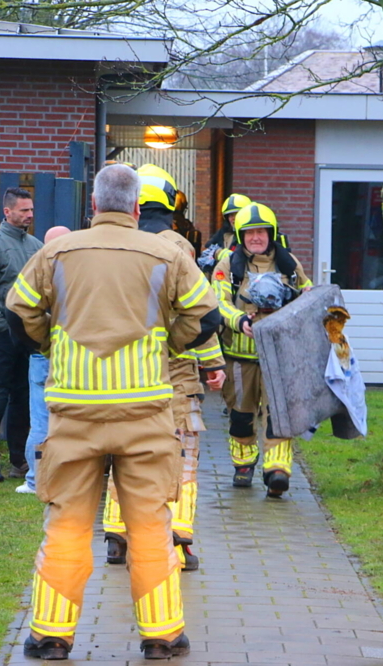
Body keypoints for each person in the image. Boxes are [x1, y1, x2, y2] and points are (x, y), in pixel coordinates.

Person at [5, 163, 220, 661]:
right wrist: (169, 339)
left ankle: (50, 636)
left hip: (74, 415)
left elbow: (19, 314)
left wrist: (52, 341)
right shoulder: (168, 253)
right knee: (149, 524)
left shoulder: (56, 251)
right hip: (144, 414)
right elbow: (205, 317)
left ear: (95, 206)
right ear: (137, 208)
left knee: (68, 525)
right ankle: (163, 636)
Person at [102, 164, 227, 571]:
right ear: (172, 204)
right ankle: (179, 537)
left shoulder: (113, 244)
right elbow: (199, 310)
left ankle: (117, 535)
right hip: (173, 374)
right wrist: (212, 364)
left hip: (122, 374)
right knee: (180, 455)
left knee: (123, 453)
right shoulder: (178, 247)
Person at [212, 203, 312, 497]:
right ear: (241, 236)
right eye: (250, 232)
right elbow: (217, 302)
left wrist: (306, 296)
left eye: (261, 232)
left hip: (279, 357)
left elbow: (309, 295)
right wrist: (239, 320)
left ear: (271, 234)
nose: (256, 237)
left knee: (278, 415)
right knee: (241, 416)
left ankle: (277, 471)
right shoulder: (228, 266)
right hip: (240, 357)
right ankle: (243, 465)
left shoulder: (289, 264)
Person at [0, 187, 42, 483]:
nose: (29, 215)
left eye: (31, 210)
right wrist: (1, 324)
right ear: (7, 211)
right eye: (24, 210)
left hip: (28, 334)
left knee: (24, 399)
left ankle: (19, 460)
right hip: (2, 336)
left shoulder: (36, 246)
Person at [16, 225, 71, 495]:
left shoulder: (38, 270)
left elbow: (18, 310)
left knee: (40, 421)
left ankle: (35, 481)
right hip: (72, 355)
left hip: (42, 354)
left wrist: (39, 341)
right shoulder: (79, 272)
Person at [197, 194, 250, 276]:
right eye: (231, 215)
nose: (233, 218)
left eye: (237, 213)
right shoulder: (224, 235)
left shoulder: (254, 237)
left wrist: (221, 253)